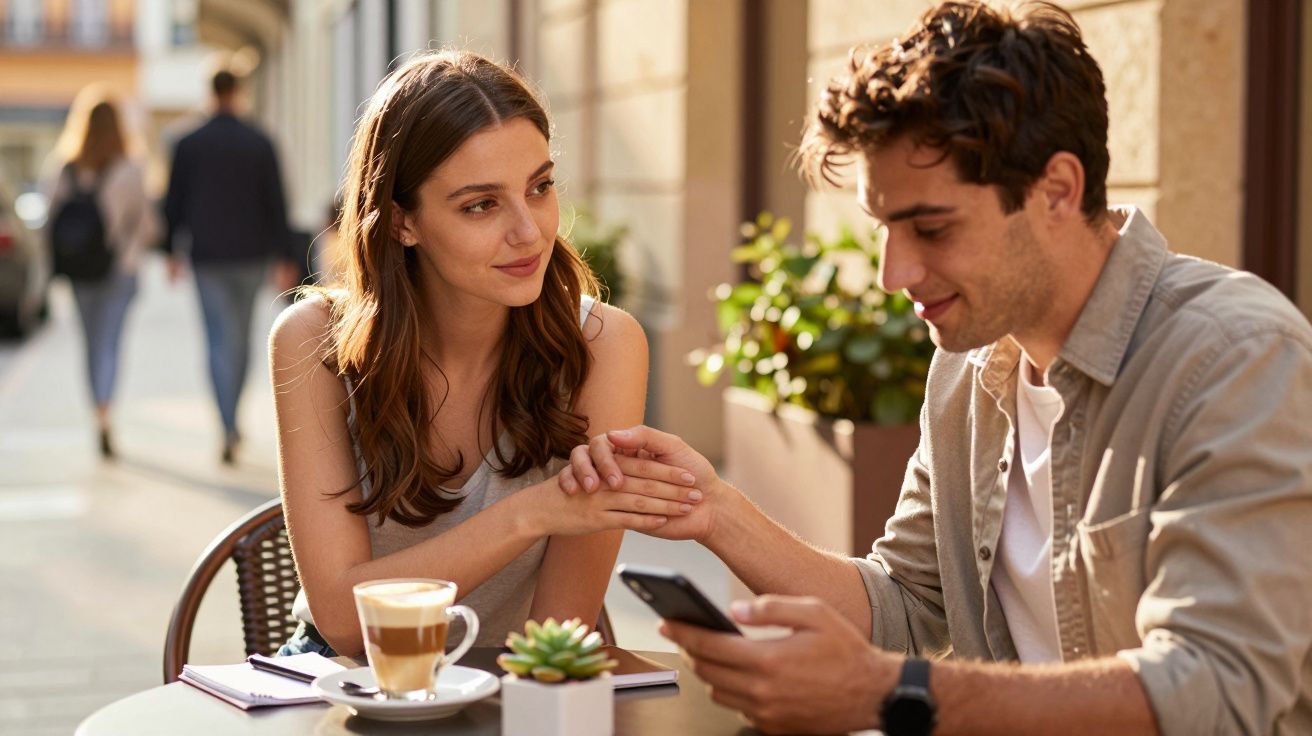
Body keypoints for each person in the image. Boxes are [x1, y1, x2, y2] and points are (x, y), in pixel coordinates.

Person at [560, 2, 1312, 734]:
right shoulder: (972, 367)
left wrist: (892, 693)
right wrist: (715, 510)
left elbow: (1219, 689)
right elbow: (907, 606)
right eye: (885, 227)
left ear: (1058, 189)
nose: (894, 272)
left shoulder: (1233, 358)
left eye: (931, 227)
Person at [268, 50, 693, 658]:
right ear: (401, 222)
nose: (530, 231)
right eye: (481, 205)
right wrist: (535, 513)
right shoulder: (313, 341)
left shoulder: (604, 346)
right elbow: (342, 619)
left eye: (540, 187)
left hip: (521, 678)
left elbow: (559, 638)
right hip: (345, 683)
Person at [163, 69, 300, 464]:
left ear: (210, 93)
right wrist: (286, 257)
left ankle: (226, 424)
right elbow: (278, 202)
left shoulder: (188, 143)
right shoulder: (259, 142)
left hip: (207, 256)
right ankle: (231, 418)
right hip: (252, 256)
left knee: (217, 341)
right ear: (237, 93)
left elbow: (174, 202)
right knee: (239, 339)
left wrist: (172, 250)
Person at [42, 85, 161, 459]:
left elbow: (48, 220)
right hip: (120, 270)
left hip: (80, 271)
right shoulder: (130, 168)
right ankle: (107, 411)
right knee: (109, 341)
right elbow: (148, 227)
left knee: (91, 342)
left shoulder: (64, 167)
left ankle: (98, 411)